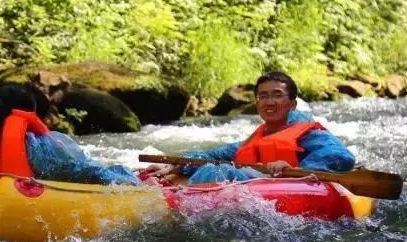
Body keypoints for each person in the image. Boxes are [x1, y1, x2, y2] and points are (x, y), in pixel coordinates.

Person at [142, 71, 356, 184]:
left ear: (292, 104)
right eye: (263, 96)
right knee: (214, 167)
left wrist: (297, 171)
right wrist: (174, 165)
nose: (269, 102)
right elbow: (213, 154)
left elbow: (341, 156)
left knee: (221, 172)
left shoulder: (307, 133)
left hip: (290, 191)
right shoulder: (258, 137)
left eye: (277, 95)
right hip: (251, 190)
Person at [0, 84, 141, 186]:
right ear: (30, 114)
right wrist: (132, 181)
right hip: (22, 212)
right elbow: (86, 170)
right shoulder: (38, 146)